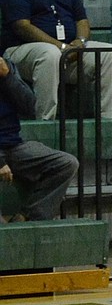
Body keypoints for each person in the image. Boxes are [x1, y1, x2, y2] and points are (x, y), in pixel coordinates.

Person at [0, 54, 78, 221]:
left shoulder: (6, 66)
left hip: (13, 145)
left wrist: (7, 77)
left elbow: (29, 107)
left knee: (66, 163)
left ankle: (28, 218)